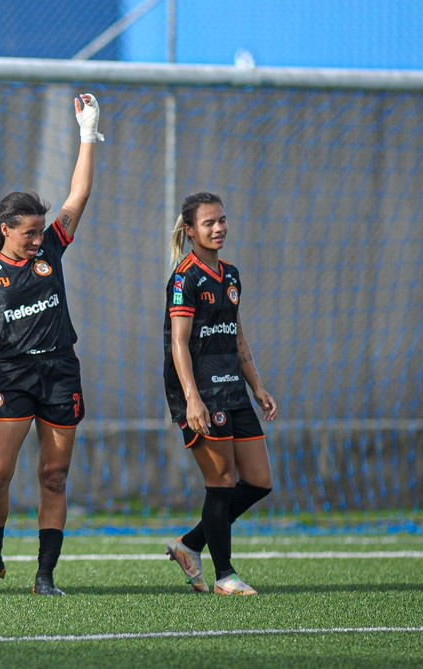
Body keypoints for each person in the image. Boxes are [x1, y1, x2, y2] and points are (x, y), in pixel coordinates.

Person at [0, 93, 101, 596]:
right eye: (30, 232)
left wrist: (87, 132)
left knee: (54, 476)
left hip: (60, 371)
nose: (39, 239)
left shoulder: (52, 248)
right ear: (7, 229)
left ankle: (44, 575)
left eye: (42, 231)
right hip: (12, 376)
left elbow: (78, 197)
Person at [162, 191, 276, 596]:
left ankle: (190, 544)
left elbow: (236, 334)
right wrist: (192, 398)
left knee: (259, 481)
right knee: (222, 481)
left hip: (233, 387)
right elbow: (179, 343)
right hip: (202, 393)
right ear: (190, 230)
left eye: (222, 220)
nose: (218, 228)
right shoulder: (185, 277)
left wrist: (257, 385)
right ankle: (225, 575)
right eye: (208, 223)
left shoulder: (230, 275)